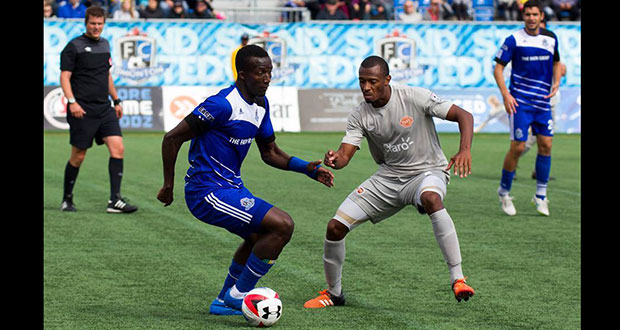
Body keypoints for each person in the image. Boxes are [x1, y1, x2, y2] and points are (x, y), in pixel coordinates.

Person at [157, 44, 335, 315]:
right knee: (283, 225)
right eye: (260, 73)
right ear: (243, 74)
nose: (266, 79)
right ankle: (238, 295)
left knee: (260, 237)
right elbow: (172, 138)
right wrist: (168, 185)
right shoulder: (221, 104)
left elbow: (270, 152)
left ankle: (222, 301)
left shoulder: (261, 105)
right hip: (206, 191)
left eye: (270, 72)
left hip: (231, 187)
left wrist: (307, 169)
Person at [303, 56, 475, 309]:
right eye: (362, 81)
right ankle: (334, 293)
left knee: (431, 198)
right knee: (335, 227)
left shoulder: (414, 96)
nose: (366, 87)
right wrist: (334, 159)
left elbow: (464, 115)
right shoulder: (360, 114)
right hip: (389, 178)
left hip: (427, 172)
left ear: (387, 80)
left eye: (372, 81)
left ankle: (458, 278)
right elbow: (345, 155)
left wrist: (464, 150)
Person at [59, 5, 138, 214]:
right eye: (93, 23)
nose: (96, 27)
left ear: (104, 24)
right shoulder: (73, 46)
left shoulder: (105, 44)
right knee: (78, 156)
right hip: (81, 110)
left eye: (100, 24)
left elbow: (107, 75)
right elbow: (64, 77)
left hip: (105, 109)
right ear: (86, 23)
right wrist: (72, 101)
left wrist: (117, 100)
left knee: (118, 148)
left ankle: (115, 200)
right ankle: (67, 199)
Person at [493, 0, 562, 217]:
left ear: (541, 16)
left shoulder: (550, 38)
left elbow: (557, 63)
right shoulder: (514, 40)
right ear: (523, 16)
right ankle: (504, 192)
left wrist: (557, 81)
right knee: (518, 147)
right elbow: (498, 68)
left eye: (535, 14)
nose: (531, 18)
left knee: (546, 145)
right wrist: (506, 94)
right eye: (528, 14)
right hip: (520, 102)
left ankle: (540, 196)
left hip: (542, 103)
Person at [521, 19, 566, 180]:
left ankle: (538, 171)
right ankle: (514, 160)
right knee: (535, 138)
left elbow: (561, 68)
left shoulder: (550, 45)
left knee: (546, 140)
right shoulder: (529, 50)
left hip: (550, 101)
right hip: (537, 101)